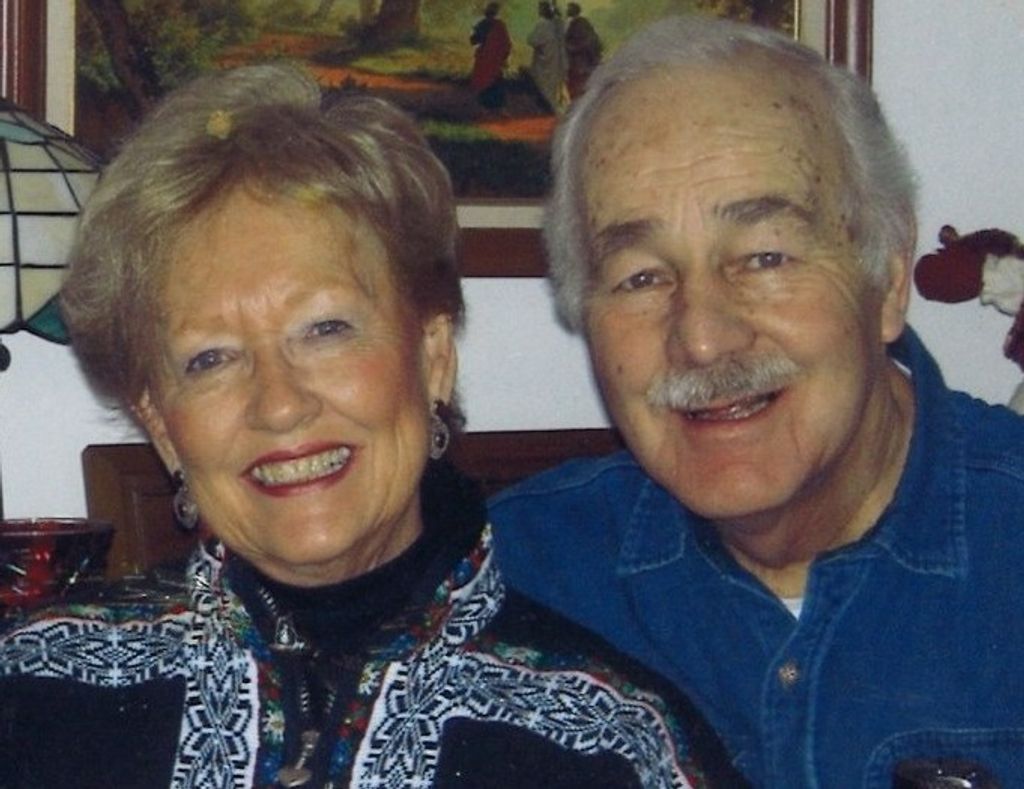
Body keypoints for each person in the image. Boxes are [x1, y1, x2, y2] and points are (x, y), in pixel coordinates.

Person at [0, 63, 747, 788]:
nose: (279, 404)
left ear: (433, 357)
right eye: (211, 358)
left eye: (325, 329)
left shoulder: (609, 744)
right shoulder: (33, 692)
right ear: (162, 426)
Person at [490, 14, 1024, 788]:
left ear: (886, 277)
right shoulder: (514, 581)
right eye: (642, 276)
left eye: (764, 256)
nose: (703, 338)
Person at [469, 2, 512, 113]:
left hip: (484, 59)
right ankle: (498, 107)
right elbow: (507, 44)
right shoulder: (500, 25)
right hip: (495, 60)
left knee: (485, 81)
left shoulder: (482, 24)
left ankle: (486, 107)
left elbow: (473, 41)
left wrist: (474, 32)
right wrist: (504, 58)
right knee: (496, 82)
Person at [527, 1, 568, 114]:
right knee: (553, 85)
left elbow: (532, 40)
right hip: (555, 58)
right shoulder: (557, 23)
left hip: (545, 60)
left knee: (544, 85)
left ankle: (552, 110)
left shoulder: (542, 24)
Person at [564, 2, 602, 99]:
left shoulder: (579, 24)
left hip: (582, 62)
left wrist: (570, 47)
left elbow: (586, 41)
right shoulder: (575, 23)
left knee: (582, 87)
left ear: (574, 10)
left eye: (569, 8)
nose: (567, 10)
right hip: (580, 61)